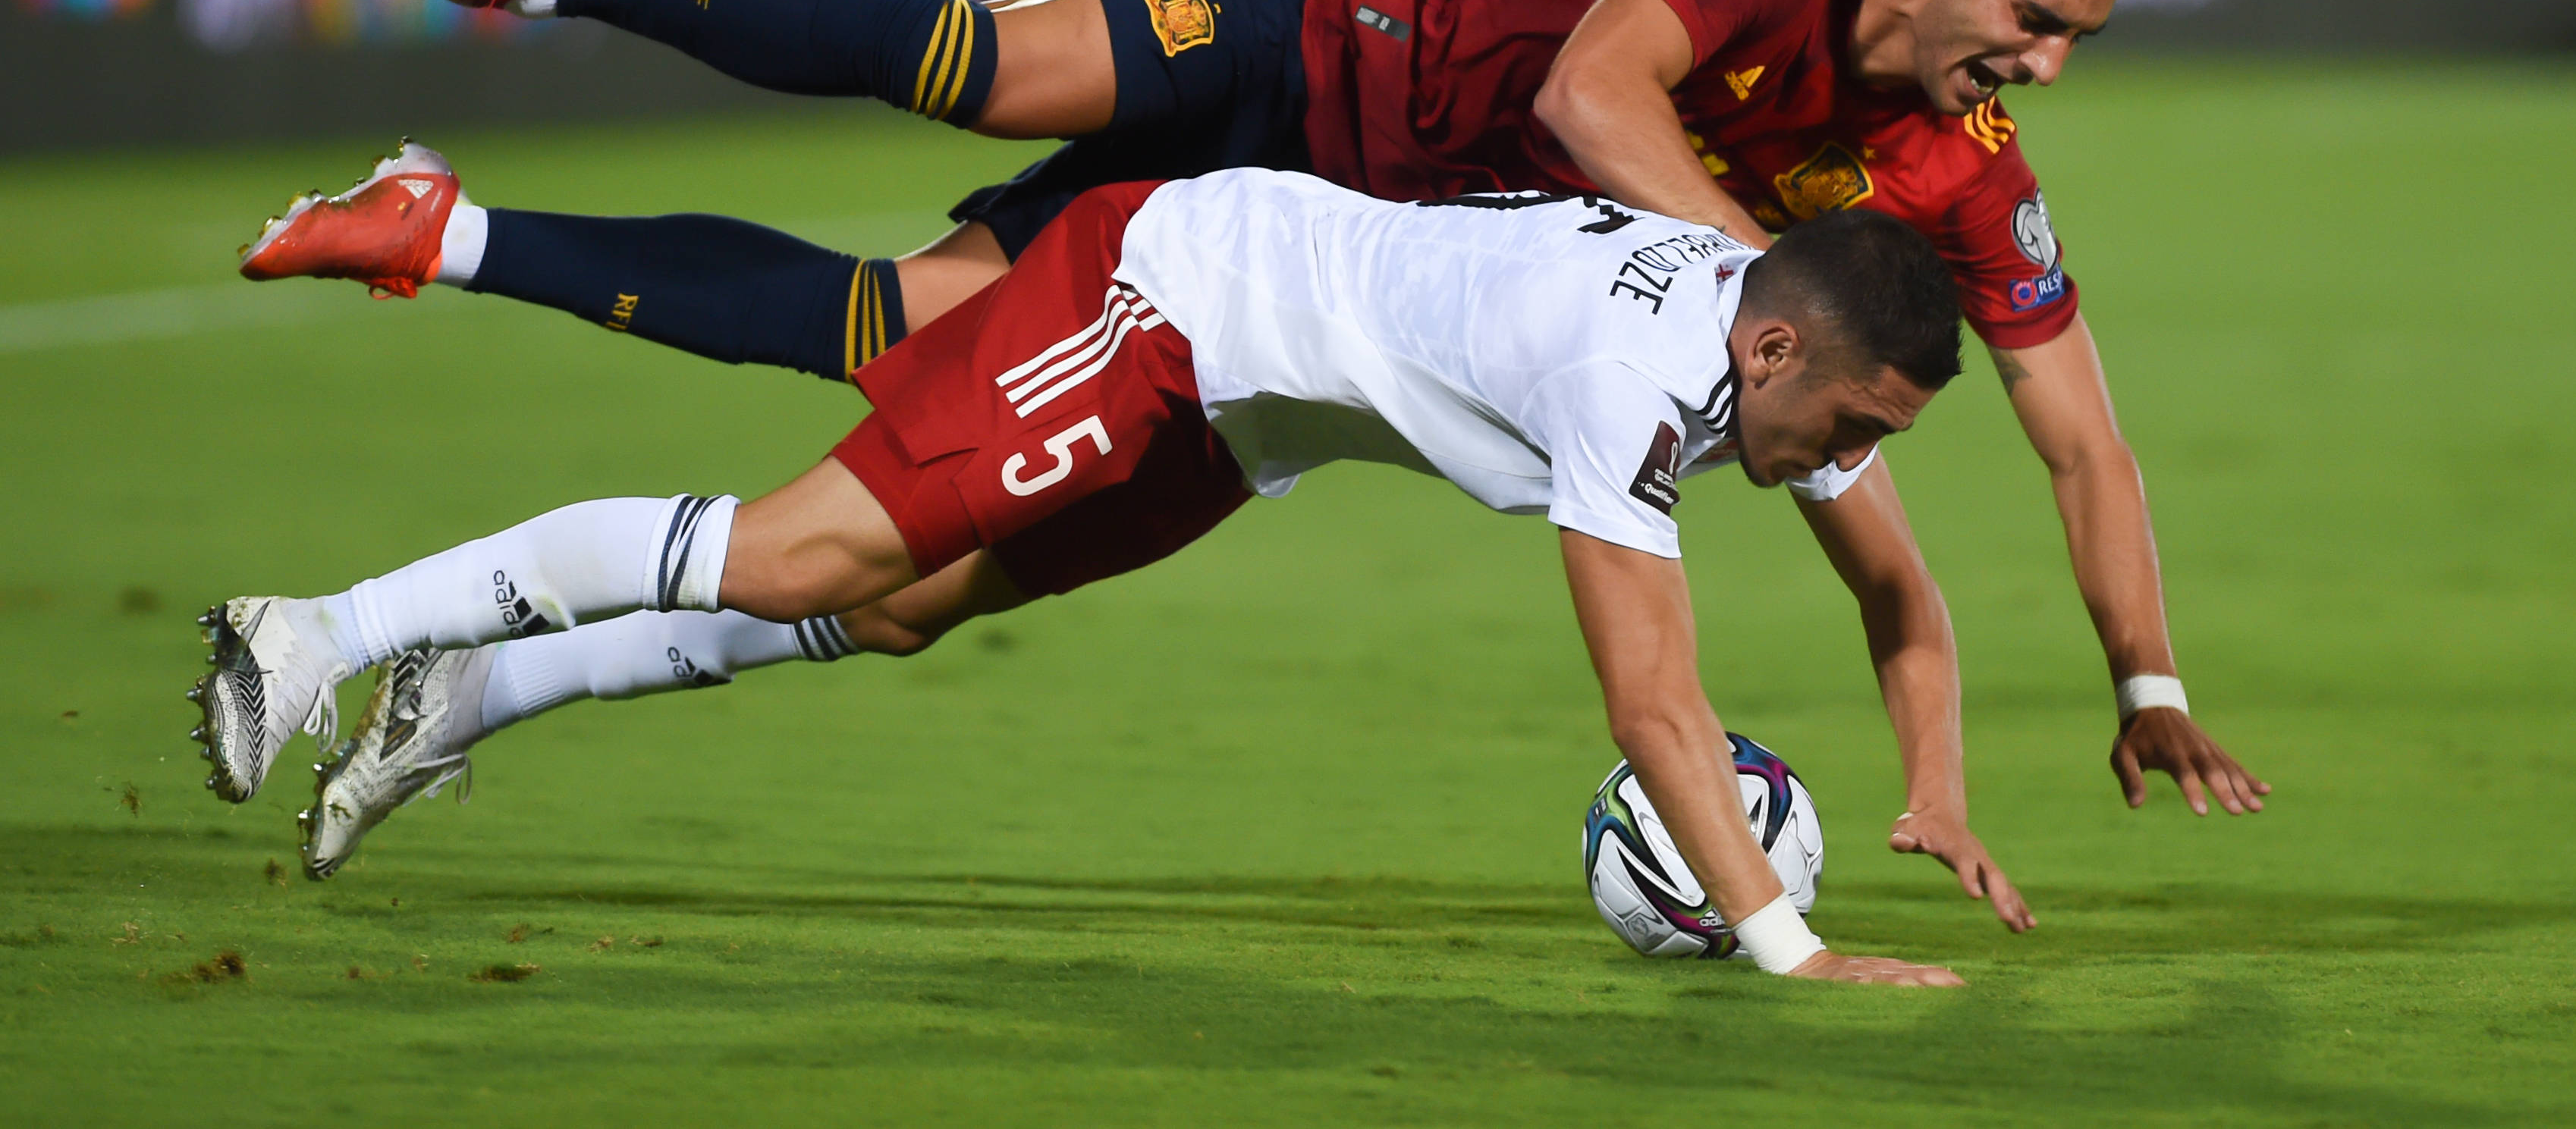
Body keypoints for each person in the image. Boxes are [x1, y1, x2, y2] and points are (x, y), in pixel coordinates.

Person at [247, 0, 2267, 820]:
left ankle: (450, 227)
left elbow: (2076, 432)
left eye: (2072, 40)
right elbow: (1586, 92)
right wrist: (1767, 277)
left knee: (895, 335)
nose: (2045, 67)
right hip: (1315, 26)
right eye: (2035, 20)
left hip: (1305, 217)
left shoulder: (1951, 175)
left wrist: (2146, 675)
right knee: (971, 54)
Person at [201, 177, 2018, 983]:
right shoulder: (1641, 381)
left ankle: (474, 694)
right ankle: (322, 629)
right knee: (797, 550)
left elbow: (1901, 600)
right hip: (1170, 298)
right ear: (1777, 350)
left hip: (1250, 419)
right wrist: (1791, 947)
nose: (1850, 459)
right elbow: (1652, 701)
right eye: (1851, 419)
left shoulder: (1777, 352)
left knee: (895, 609)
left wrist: (1932, 784)